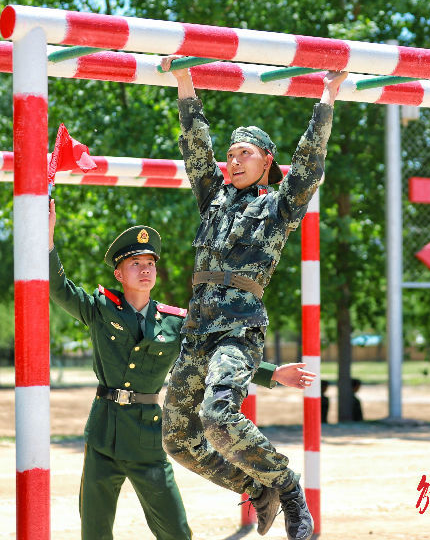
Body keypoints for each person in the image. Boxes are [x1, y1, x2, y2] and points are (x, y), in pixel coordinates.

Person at [47, 200, 315, 540]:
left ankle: (268, 491)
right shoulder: (101, 309)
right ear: (118, 274)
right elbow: (59, 289)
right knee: (94, 530)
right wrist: (48, 241)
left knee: (174, 530)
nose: (145, 269)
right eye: (135, 264)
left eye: (149, 263)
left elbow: (213, 352)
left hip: (147, 438)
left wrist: (272, 373)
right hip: (103, 434)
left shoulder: (174, 323)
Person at [160, 55, 347, 540]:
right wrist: (184, 80)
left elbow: (309, 163)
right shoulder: (213, 197)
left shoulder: (278, 206)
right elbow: (195, 146)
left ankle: (285, 487)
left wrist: (327, 96)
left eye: (244, 153)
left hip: (237, 331)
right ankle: (255, 488)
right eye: (231, 153)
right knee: (177, 440)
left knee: (218, 415)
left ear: (266, 162)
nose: (233, 160)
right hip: (197, 333)